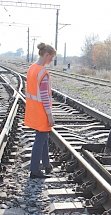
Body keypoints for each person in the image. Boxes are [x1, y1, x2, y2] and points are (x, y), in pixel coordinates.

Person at [24, 43, 56, 178]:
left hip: (33, 110)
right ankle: (34, 170)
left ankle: (47, 165)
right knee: (40, 140)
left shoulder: (32, 68)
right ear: (47, 55)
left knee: (43, 138)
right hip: (42, 111)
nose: (51, 61)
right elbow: (43, 96)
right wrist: (50, 115)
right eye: (52, 58)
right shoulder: (43, 72)